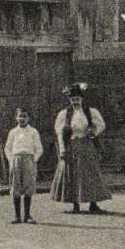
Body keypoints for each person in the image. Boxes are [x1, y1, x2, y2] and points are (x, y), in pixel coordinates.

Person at [50, 84, 110, 215]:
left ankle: (93, 204)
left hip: (86, 144)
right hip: (71, 145)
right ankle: (75, 205)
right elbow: (60, 133)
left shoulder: (90, 112)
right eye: (73, 99)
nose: (75, 102)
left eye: (77, 99)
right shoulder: (64, 114)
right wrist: (62, 150)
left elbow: (101, 125)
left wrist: (93, 132)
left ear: (82, 99)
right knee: (73, 174)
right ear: (69, 100)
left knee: (91, 173)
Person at [4, 107, 43, 224]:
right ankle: (17, 216)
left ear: (28, 118)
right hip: (16, 159)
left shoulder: (33, 132)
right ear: (16, 118)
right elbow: (7, 148)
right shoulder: (13, 132)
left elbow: (39, 148)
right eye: (20, 116)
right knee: (15, 186)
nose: (22, 119)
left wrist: (34, 160)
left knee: (28, 186)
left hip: (29, 159)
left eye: (24, 116)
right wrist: (11, 160)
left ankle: (27, 215)